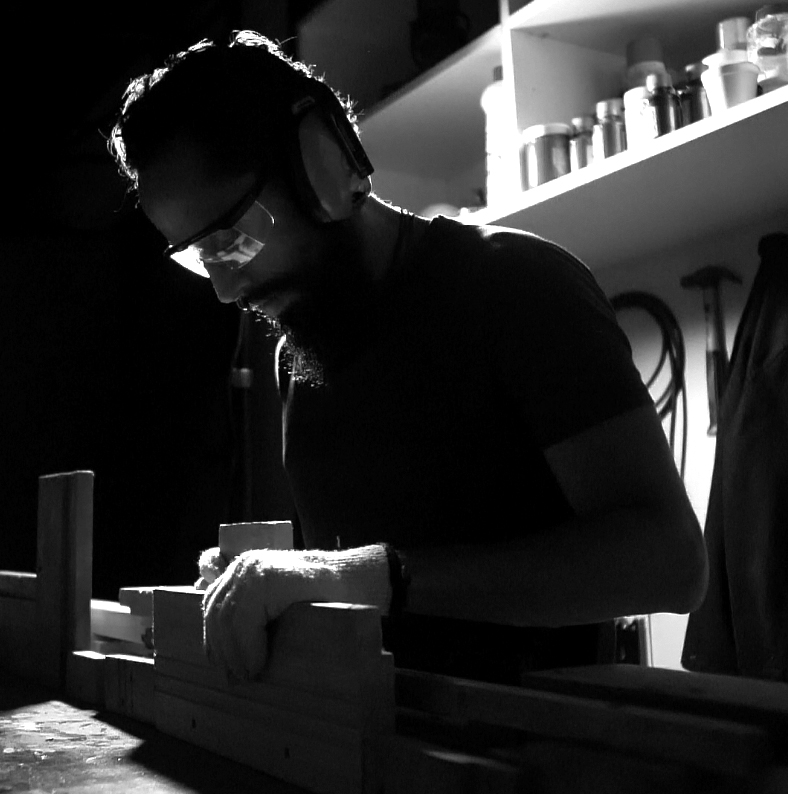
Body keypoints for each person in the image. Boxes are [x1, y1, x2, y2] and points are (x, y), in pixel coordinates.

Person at [108, 31, 708, 683]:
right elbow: (349, 587)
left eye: (228, 241)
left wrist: (377, 576)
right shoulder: (299, 358)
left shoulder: (518, 289)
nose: (225, 289)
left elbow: (672, 564)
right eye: (200, 259)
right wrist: (267, 587)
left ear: (321, 165)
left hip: (536, 752)